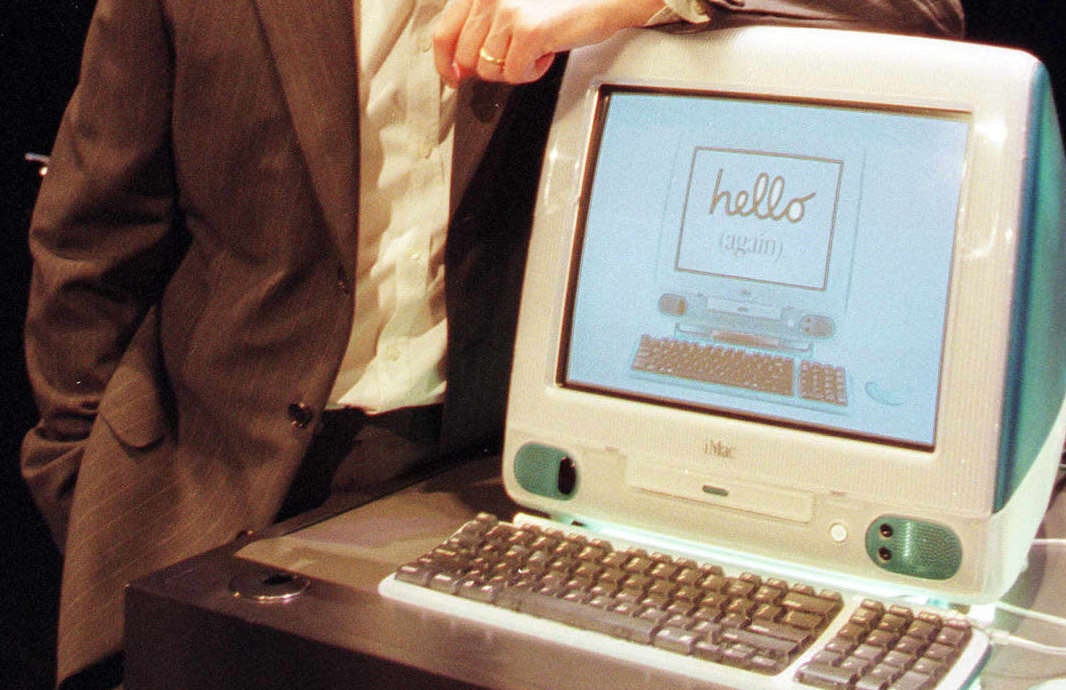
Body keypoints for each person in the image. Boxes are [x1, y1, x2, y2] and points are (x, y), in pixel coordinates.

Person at [21, 0, 963, 686]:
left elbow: (917, 14)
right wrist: (80, 466)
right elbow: (92, 229)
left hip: (468, 488)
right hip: (197, 482)